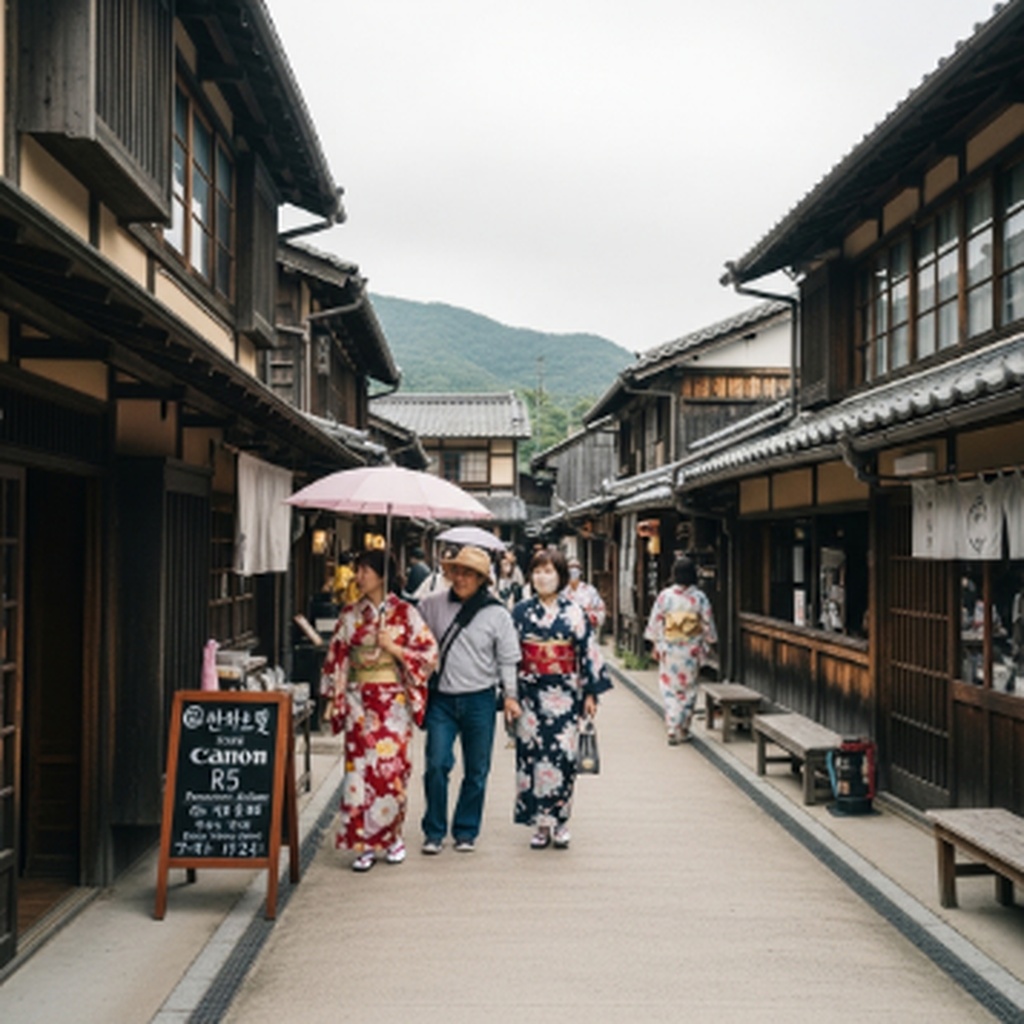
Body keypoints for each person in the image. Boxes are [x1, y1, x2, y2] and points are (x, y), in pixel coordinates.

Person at [321, 549, 439, 872]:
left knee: (390, 770)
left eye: (364, 571)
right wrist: (335, 695)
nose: (358, 577)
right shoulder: (349, 614)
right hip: (359, 701)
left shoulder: (405, 613)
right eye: (357, 570)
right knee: (358, 772)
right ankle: (363, 843)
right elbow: (337, 657)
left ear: (382, 574)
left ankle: (391, 838)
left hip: (392, 703)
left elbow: (429, 654)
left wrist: (394, 648)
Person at [506, 548, 612, 849]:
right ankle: (540, 823)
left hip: (565, 695)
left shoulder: (574, 612)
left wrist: (591, 692)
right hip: (529, 694)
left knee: (563, 757)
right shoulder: (520, 612)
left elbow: (588, 653)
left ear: (561, 576)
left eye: (549, 571)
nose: (542, 577)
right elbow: (510, 656)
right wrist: (509, 695)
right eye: (537, 571)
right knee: (531, 757)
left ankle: (561, 820)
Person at [417, 545, 520, 854]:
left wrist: (511, 696)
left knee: (477, 769)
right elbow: (413, 636)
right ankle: (434, 830)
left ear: (481, 579)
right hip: (442, 700)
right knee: (436, 764)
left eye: (468, 574)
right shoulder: (431, 605)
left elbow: (508, 659)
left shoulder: (497, 613)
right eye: (456, 571)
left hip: (480, 699)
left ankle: (465, 830)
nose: (460, 578)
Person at [644, 556, 717, 745]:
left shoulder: (665, 596)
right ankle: (683, 728)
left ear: (674, 574)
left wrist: (656, 644)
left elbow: (656, 621)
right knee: (689, 690)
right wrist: (708, 643)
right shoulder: (699, 597)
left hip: (669, 648)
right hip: (691, 650)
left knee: (669, 689)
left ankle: (672, 726)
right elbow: (707, 625)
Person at [562, 556, 606, 633]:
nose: (573, 570)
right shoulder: (562, 593)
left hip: (586, 633)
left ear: (580, 572)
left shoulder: (590, 591)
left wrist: (592, 618)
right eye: (570, 567)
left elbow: (601, 609)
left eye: (576, 568)